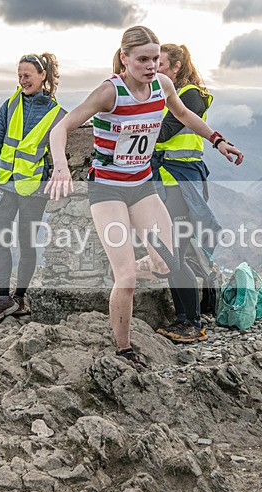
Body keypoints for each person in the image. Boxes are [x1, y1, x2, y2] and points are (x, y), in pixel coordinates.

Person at [45, 26, 243, 366]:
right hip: (107, 190)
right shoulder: (110, 92)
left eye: (155, 59)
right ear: (125, 58)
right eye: (142, 59)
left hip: (143, 186)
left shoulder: (163, 86)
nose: (151, 66)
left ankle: (126, 268)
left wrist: (218, 141)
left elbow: (182, 114)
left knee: (168, 261)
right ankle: (123, 349)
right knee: (128, 278)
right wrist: (61, 167)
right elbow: (61, 128)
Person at [151, 43, 240, 336]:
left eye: (160, 63)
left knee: (174, 252)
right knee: (175, 251)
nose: (155, 68)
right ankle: (189, 316)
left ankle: (191, 322)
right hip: (167, 181)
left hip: (179, 184)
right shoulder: (167, 93)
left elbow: (163, 132)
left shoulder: (191, 96)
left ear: (176, 66)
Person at [0, 53, 67, 323]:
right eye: (19, 75)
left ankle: (19, 298)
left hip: (34, 190)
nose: (22, 80)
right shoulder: (9, 105)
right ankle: (2, 297)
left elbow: (58, 152)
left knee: (27, 244)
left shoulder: (57, 114)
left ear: (43, 77)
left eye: (27, 75)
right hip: (4, 186)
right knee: (0, 242)